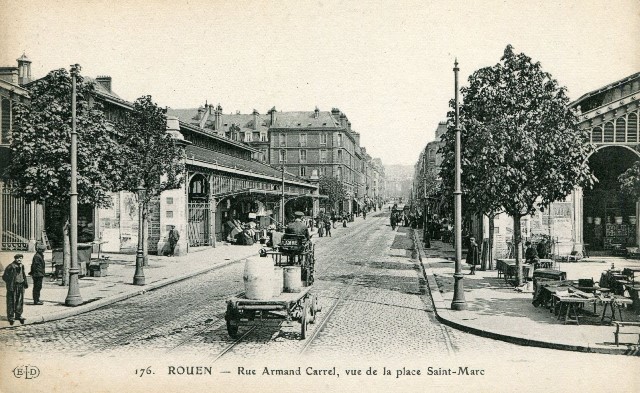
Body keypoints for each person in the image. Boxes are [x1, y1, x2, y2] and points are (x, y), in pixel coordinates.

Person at [3, 254, 28, 325]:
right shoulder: (11, 266)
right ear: (15, 259)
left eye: (20, 258)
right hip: (13, 286)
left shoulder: (22, 266)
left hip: (21, 285)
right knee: (11, 301)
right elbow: (4, 277)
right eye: (17, 258)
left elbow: (23, 275)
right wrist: (10, 283)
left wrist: (25, 282)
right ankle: (10, 317)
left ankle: (18, 315)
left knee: (19, 301)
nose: (19, 259)